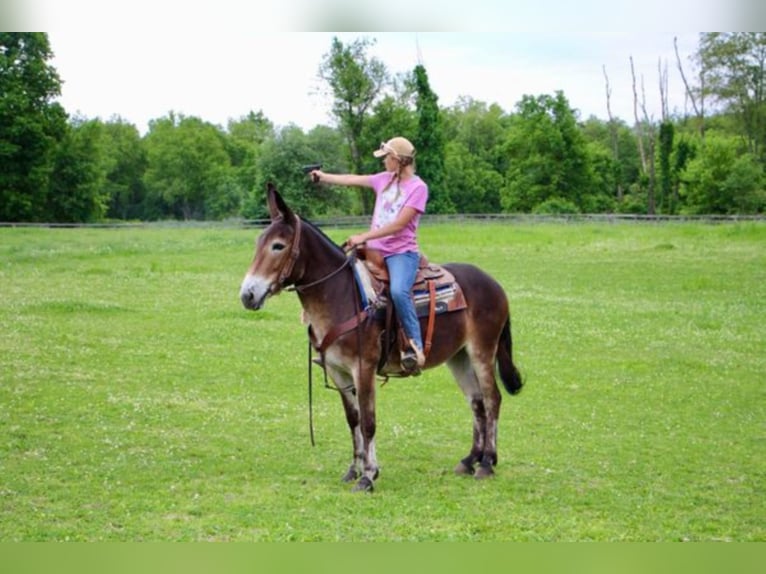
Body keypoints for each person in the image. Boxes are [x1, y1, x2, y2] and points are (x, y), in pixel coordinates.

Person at [310, 137, 429, 372]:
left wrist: (364, 237)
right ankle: (334, 344)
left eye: (387, 157)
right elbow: (351, 179)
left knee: (398, 291)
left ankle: (414, 347)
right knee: (339, 277)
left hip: (400, 253)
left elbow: (399, 225)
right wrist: (323, 177)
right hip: (374, 249)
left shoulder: (418, 188)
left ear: (399, 160)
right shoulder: (383, 180)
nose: (384, 161)